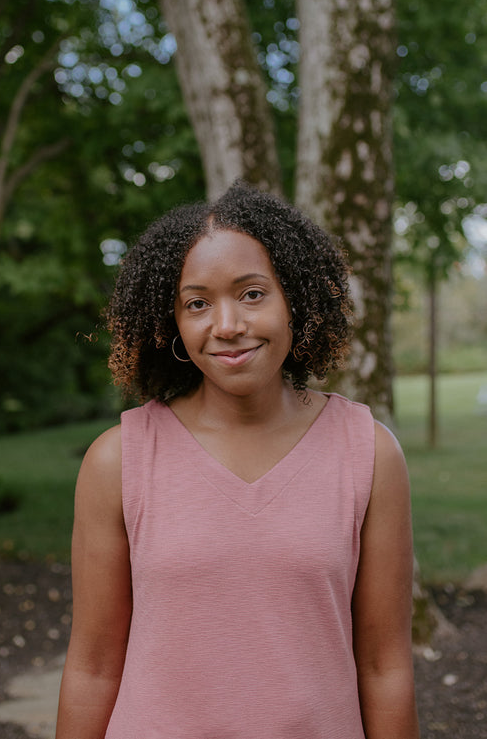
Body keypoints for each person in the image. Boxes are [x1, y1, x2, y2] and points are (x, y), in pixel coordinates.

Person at [55, 181, 420, 739]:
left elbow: (384, 666)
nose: (226, 325)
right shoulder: (119, 460)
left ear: (294, 299)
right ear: (171, 323)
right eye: (197, 303)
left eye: (252, 293)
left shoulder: (367, 451)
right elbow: (93, 666)